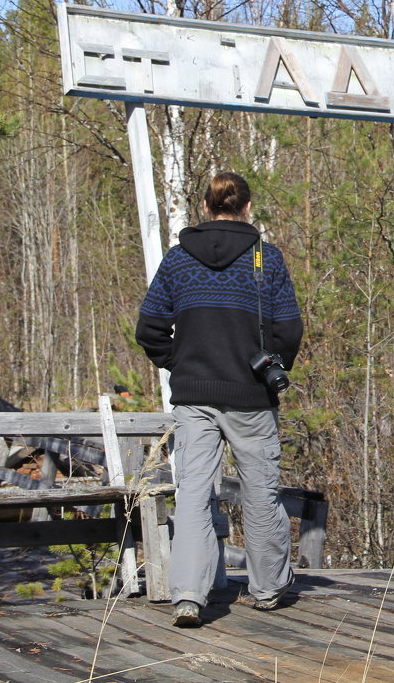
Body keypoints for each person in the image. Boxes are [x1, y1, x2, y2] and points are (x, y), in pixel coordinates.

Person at [136, 171, 304, 627]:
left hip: (194, 396)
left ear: (206, 208)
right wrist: (272, 365)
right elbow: (289, 329)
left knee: (192, 494)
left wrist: (180, 361)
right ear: (246, 208)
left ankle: (188, 596)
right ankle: (267, 588)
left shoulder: (177, 261)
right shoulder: (266, 259)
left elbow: (149, 329)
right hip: (251, 396)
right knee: (260, 491)